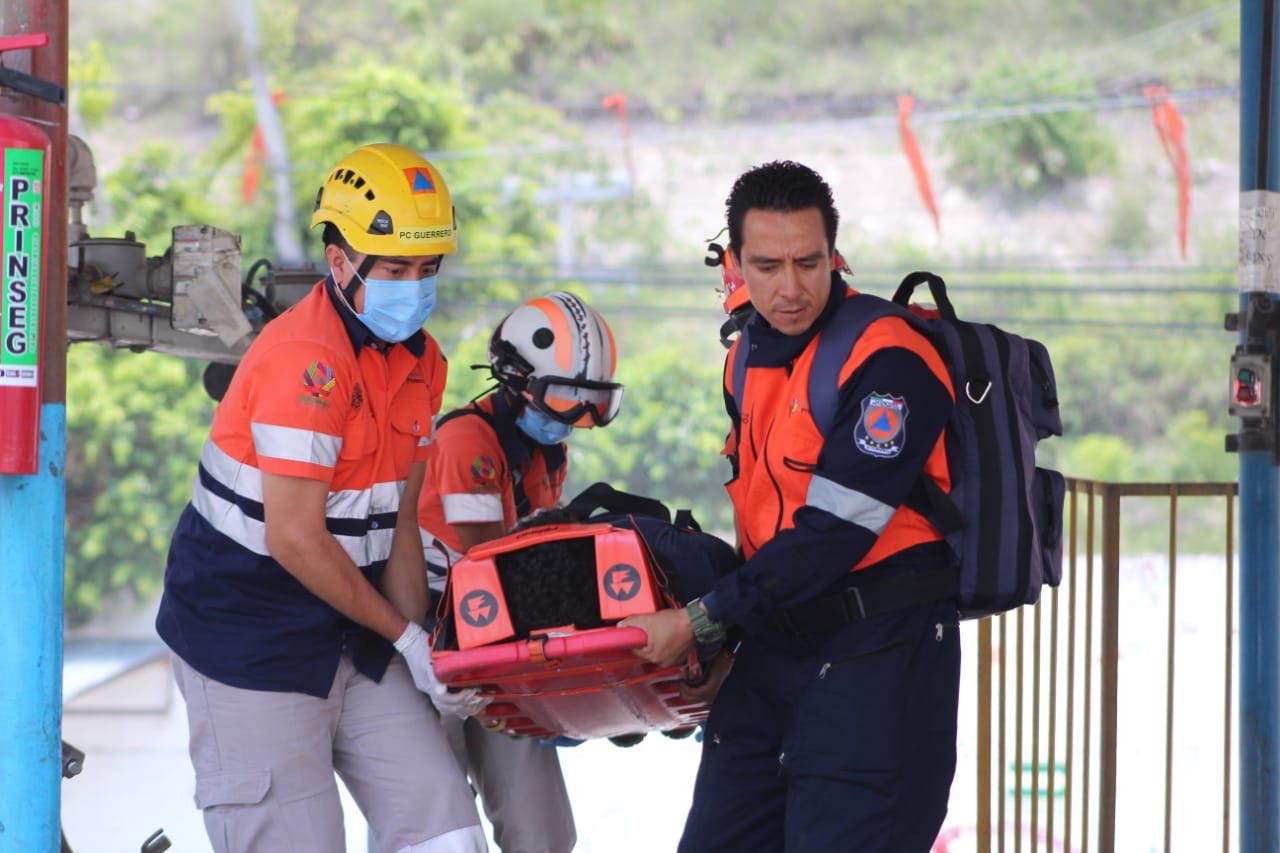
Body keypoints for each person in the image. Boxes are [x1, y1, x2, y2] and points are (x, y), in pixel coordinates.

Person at [155, 143, 488, 853]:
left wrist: (427, 649)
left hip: (351, 633)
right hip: (247, 643)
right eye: (396, 269)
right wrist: (406, 640)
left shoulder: (421, 362)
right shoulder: (304, 361)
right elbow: (296, 538)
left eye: (427, 268)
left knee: (449, 836)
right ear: (340, 261)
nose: (416, 285)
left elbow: (400, 517)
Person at [623, 160, 962, 853]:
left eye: (809, 262)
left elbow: (831, 535)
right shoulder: (744, 361)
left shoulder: (887, 356)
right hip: (776, 644)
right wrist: (723, 633)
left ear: (834, 255)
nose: (791, 286)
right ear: (736, 263)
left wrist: (698, 620)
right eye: (767, 265)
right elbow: (762, 523)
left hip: (879, 653)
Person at [417, 292, 623, 853]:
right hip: (429, 635)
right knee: (437, 829)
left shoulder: (546, 451)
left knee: (545, 834)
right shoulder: (468, 439)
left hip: (499, 635)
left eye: (591, 405)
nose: (575, 419)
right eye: (564, 398)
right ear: (513, 379)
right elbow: (490, 565)